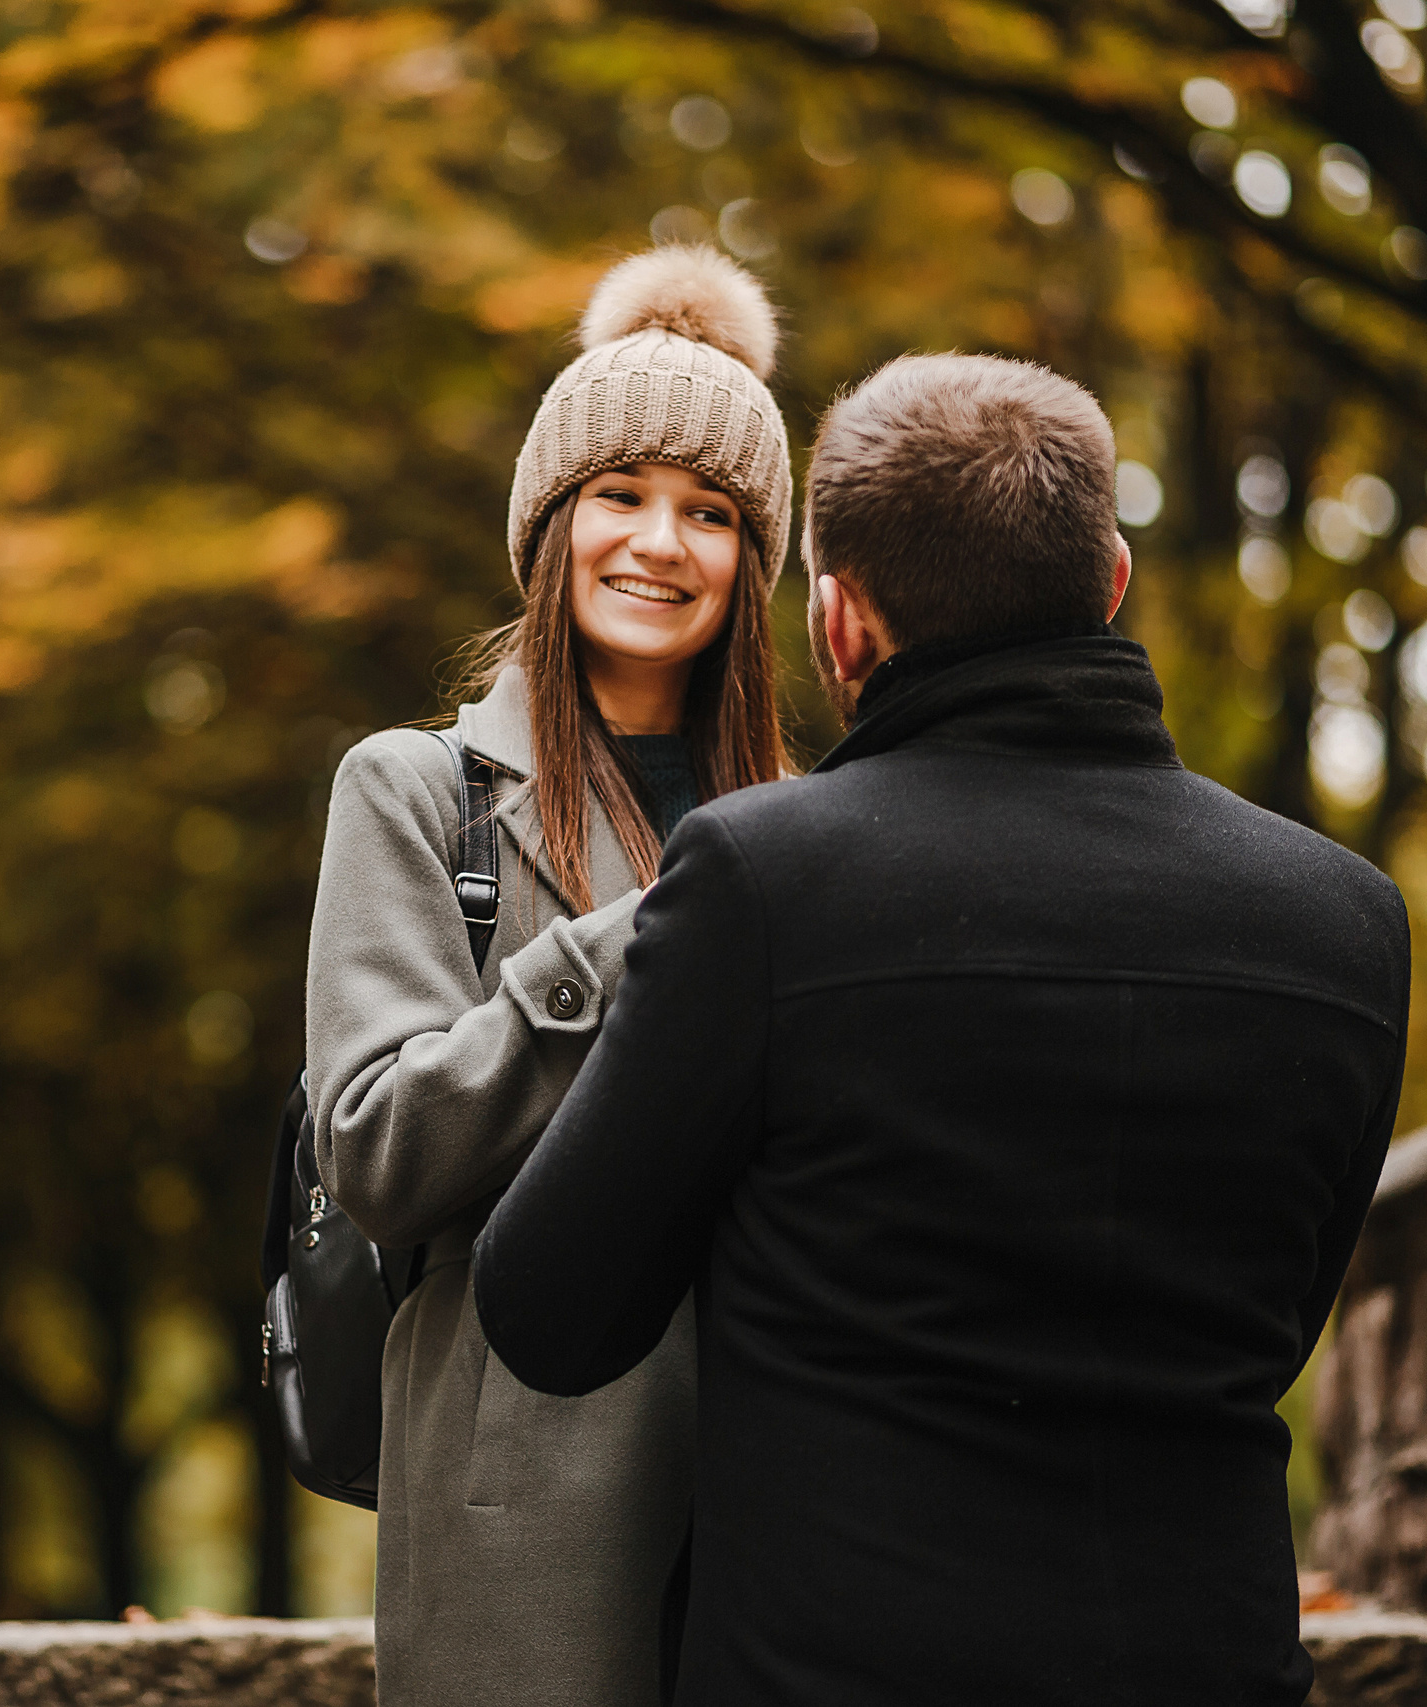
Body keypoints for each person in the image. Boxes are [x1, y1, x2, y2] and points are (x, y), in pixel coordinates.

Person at [473, 353, 1411, 1706]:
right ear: (1113, 584)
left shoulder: (761, 879)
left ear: (840, 623)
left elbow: (548, 1311)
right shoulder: (1345, 924)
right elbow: (1285, 1313)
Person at [304, 245, 793, 1707]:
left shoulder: (811, 824)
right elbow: (378, 1147)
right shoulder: (415, 792)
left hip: (783, 1485)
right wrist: (646, 936)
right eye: (621, 495)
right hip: (519, 1489)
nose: (661, 542)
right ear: (550, 522)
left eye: (711, 513)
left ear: (754, 568)